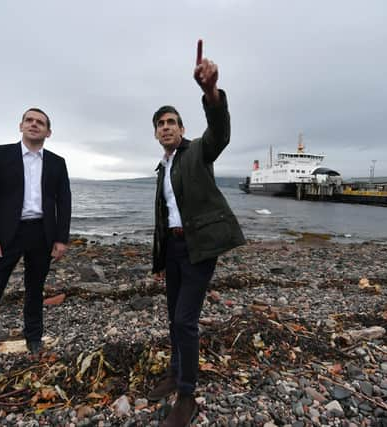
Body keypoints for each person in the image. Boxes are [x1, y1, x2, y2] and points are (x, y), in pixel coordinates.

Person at [148, 41, 246, 426]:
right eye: (161, 124)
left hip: (200, 248)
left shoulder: (197, 152)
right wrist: (159, 261)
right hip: (172, 250)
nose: (166, 127)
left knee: (186, 320)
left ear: (182, 129)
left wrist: (210, 92)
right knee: (174, 317)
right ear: (155, 134)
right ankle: (175, 371)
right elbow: (163, 218)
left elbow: (219, 133)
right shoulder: (162, 168)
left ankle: (186, 394)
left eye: (172, 122)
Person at [0, 108, 71, 389]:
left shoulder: (57, 162)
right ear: (20, 126)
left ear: (48, 132)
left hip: (41, 233)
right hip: (6, 236)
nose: (34, 125)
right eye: (29, 120)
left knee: (35, 289)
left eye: (40, 122)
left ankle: (33, 338)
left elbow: (64, 201)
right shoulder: (0, 154)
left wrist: (61, 238)